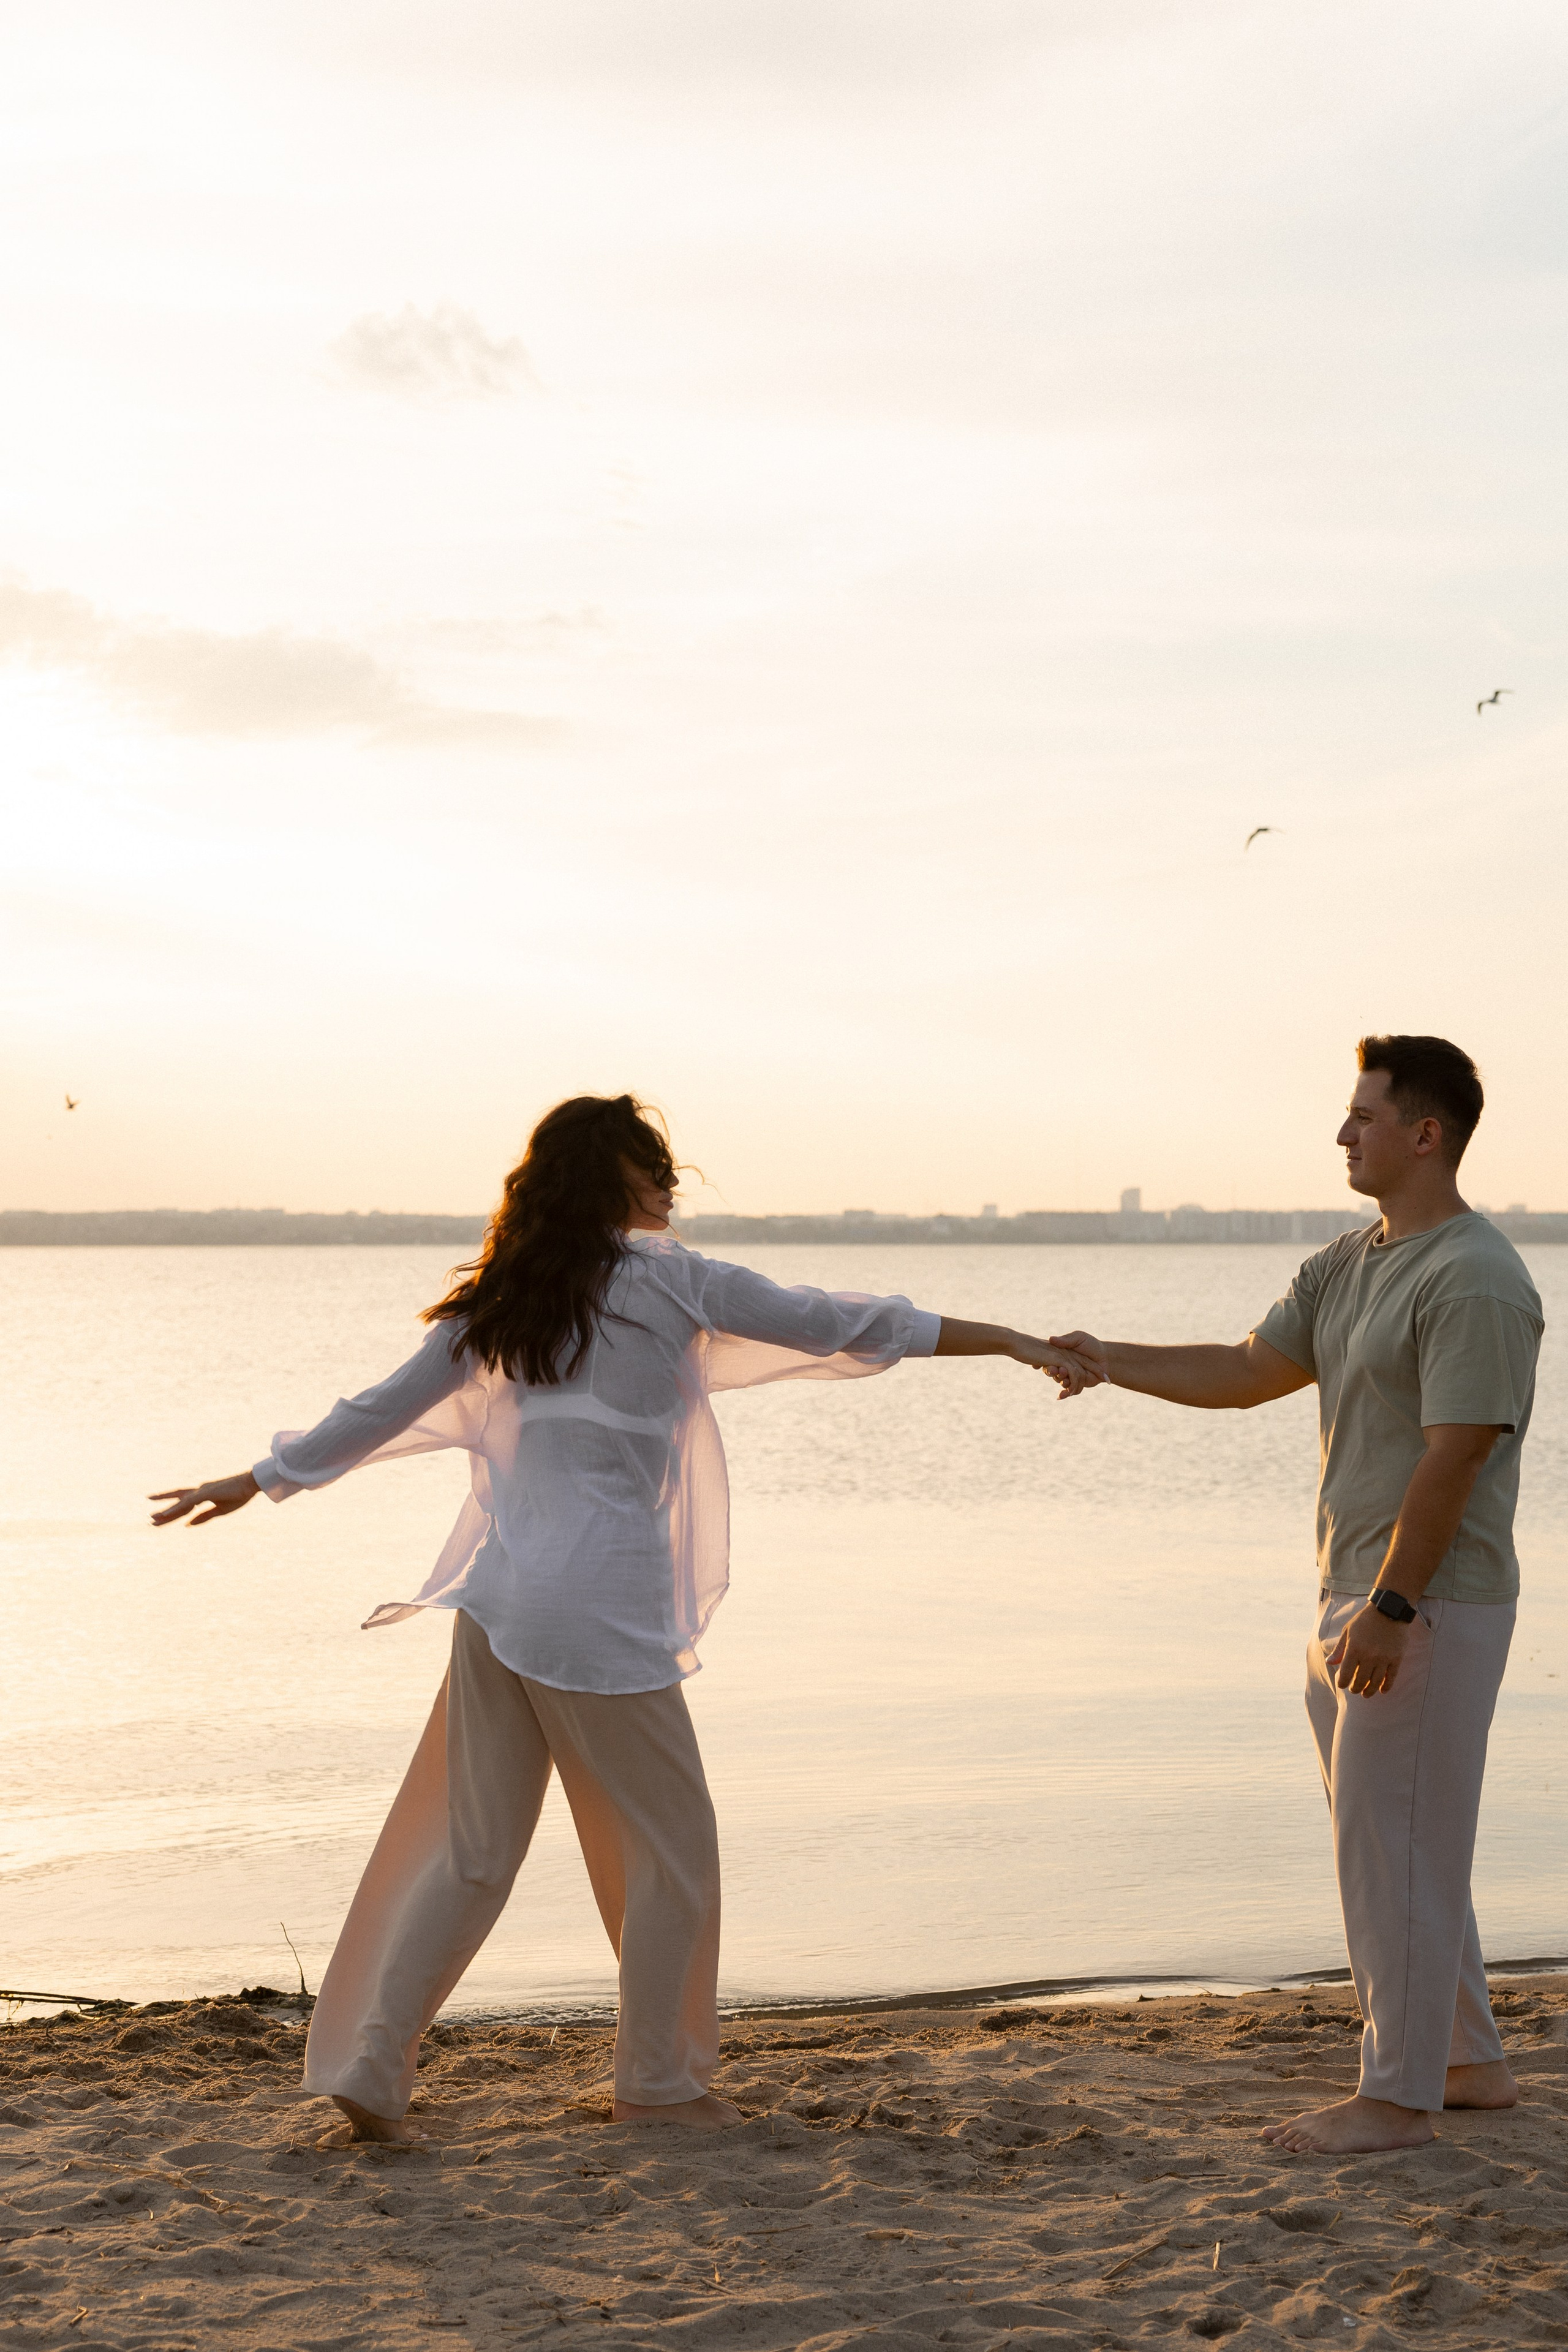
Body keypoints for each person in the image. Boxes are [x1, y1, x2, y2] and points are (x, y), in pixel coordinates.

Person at [152, 1093, 1098, 2142]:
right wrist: (1011, 1338)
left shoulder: (504, 1300)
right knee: (673, 1855)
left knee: (472, 1853)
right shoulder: (675, 1279)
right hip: (595, 1609)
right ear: (613, 1177)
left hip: (498, 1600)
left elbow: (382, 1408)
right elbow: (849, 1322)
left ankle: (375, 2064)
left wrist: (262, 1474)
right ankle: (659, 2086)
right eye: (655, 1165)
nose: (671, 1182)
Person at [1052, 1036, 1542, 2155]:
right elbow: (1243, 1371)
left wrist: (1393, 1607)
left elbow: (1456, 1455)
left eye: (1363, 1115)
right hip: (1353, 1594)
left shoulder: (1476, 1276)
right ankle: (1464, 2065)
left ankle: (1398, 2099)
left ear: (1426, 1134)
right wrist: (1106, 1356)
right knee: (1394, 1842)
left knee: (1391, 1849)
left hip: (1427, 1605)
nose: (1342, 1133)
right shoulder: (1351, 1261)